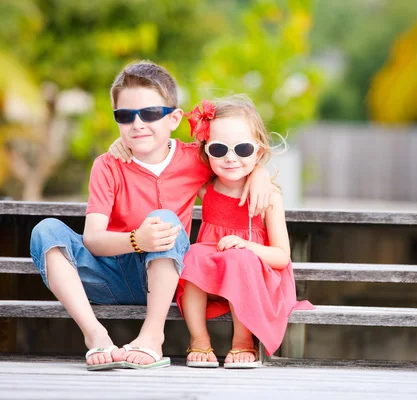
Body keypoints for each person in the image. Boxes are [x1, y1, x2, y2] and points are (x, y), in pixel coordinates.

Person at [29, 61, 272, 371]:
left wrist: (260, 173)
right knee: (45, 230)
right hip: (109, 276)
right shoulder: (108, 165)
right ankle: (96, 336)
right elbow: (92, 239)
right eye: (125, 116)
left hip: (166, 278)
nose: (137, 124)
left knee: (164, 219)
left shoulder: (195, 159)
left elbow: (233, 165)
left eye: (150, 114)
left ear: (173, 118)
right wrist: (136, 240)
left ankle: (152, 336)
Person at [174, 95, 314, 369]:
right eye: (218, 150)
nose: (230, 158)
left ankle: (242, 341)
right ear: (206, 151)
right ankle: (199, 340)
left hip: (257, 276)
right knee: (191, 255)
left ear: (258, 152)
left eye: (243, 149)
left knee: (239, 259)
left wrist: (246, 245)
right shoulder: (207, 188)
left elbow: (281, 257)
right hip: (213, 278)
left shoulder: (268, 197)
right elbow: (172, 157)